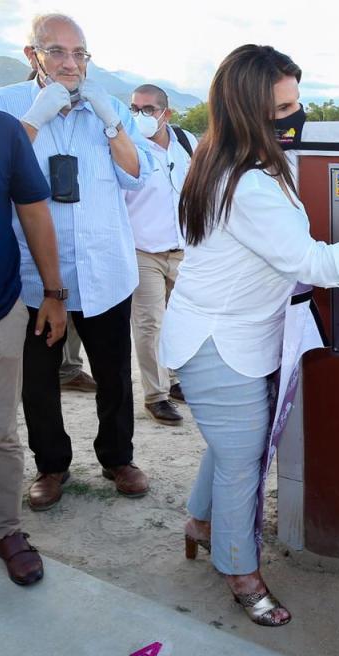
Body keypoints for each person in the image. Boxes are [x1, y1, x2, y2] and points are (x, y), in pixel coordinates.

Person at [159, 44, 339, 627]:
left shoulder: (239, 161)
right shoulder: (249, 183)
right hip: (220, 341)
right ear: (245, 112)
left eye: (296, 101)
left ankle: (201, 522)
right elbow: (309, 263)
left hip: (235, 334)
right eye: (281, 107)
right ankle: (240, 571)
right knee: (244, 459)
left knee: (232, 446)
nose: (295, 116)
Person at [0, 13, 154, 511]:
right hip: (35, 276)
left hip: (105, 268)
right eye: (57, 51)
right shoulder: (7, 106)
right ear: (32, 56)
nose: (70, 63)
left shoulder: (109, 107)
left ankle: (117, 457)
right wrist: (34, 119)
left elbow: (137, 175)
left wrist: (111, 122)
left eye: (79, 53)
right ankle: (52, 465)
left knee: (114, 375)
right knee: (39, 383)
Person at [0, 111, 66, 586]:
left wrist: (53, 293)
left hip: (0, 309)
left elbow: (34, 210)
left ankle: (6, 531)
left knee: (1, 431)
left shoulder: (4, 130)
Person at [124, 84, 197, 426]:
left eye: (148, 109)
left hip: (184, 250)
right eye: (135, 108)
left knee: (183, 320)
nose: (140, 115)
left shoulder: (187, 144)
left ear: (166, 113)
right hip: (143, 251)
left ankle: (177, 380)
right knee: (150, 323)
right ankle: (156, 396)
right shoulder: (126, 147)